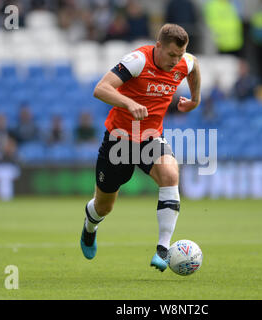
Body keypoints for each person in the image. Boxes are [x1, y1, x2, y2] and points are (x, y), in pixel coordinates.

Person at [80, 23, 201, 272]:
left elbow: (194, 65)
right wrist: (128, 103)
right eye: (171, 55)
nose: (176, 60)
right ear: (158, 46)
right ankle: (90, 227)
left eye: (180, 55)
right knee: (104, 206)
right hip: (119, 140)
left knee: (170, 173)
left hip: (150, 137)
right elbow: (100, 88)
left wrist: (195, 99)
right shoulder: (137, 61)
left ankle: (163, 249)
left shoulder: (183, 61)